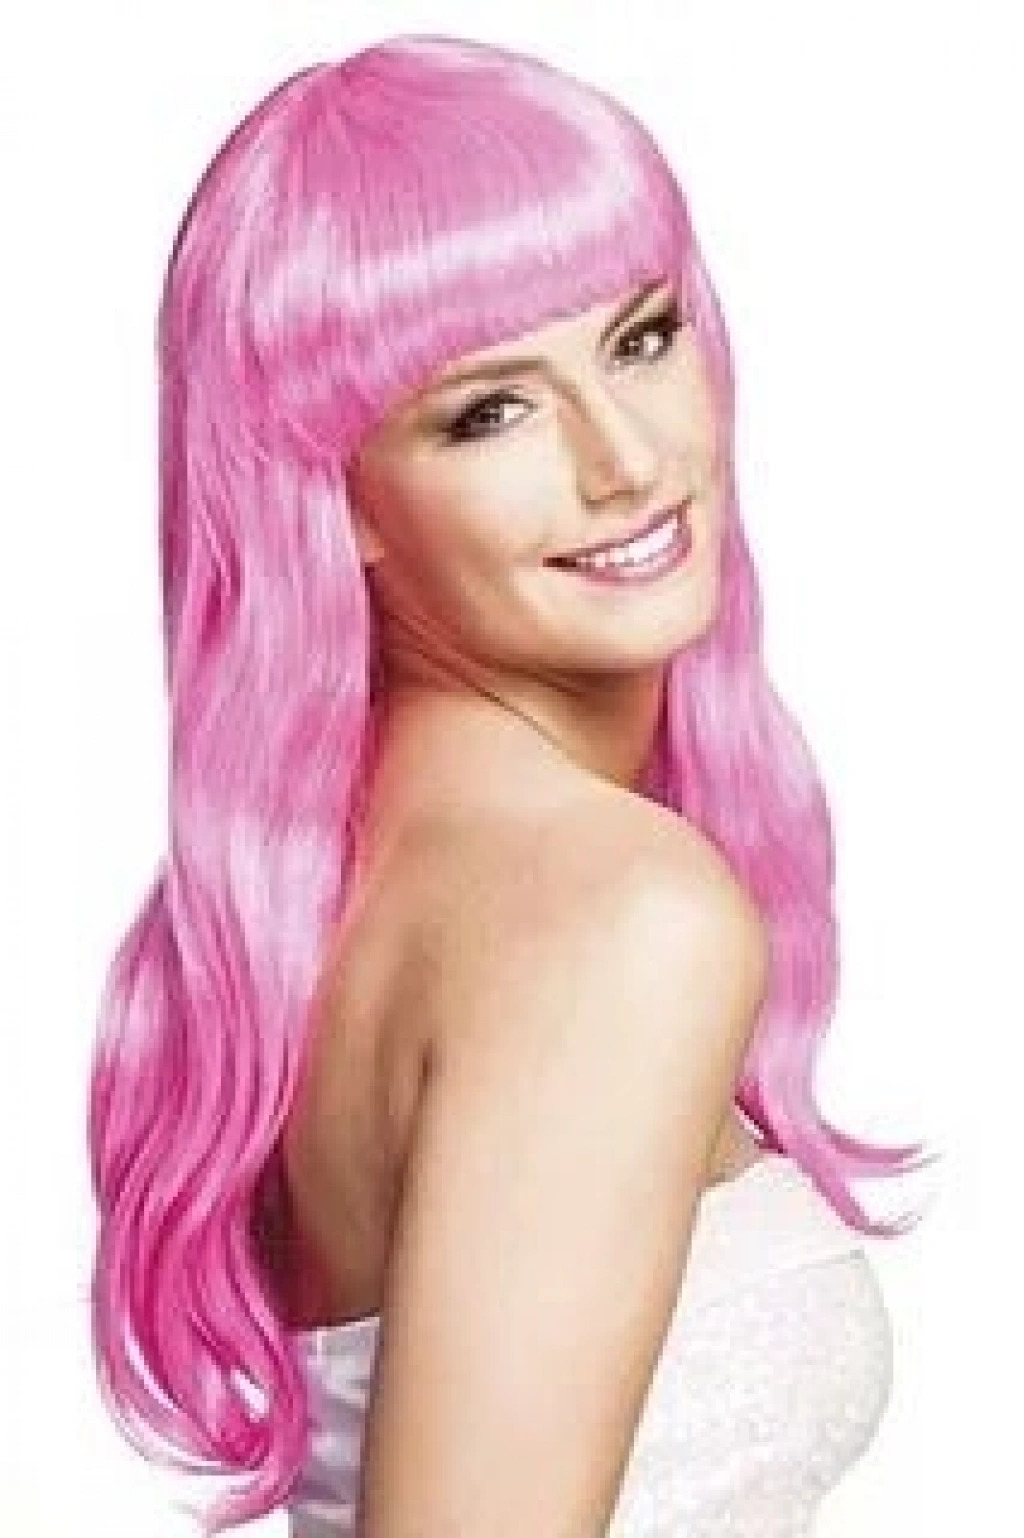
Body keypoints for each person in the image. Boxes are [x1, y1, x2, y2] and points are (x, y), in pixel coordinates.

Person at [87, 33, 936, 1537]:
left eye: (643, 338)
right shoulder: (613, 914)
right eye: (491, 411)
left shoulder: (345, 878)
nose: (627, 461)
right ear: (336, 492)